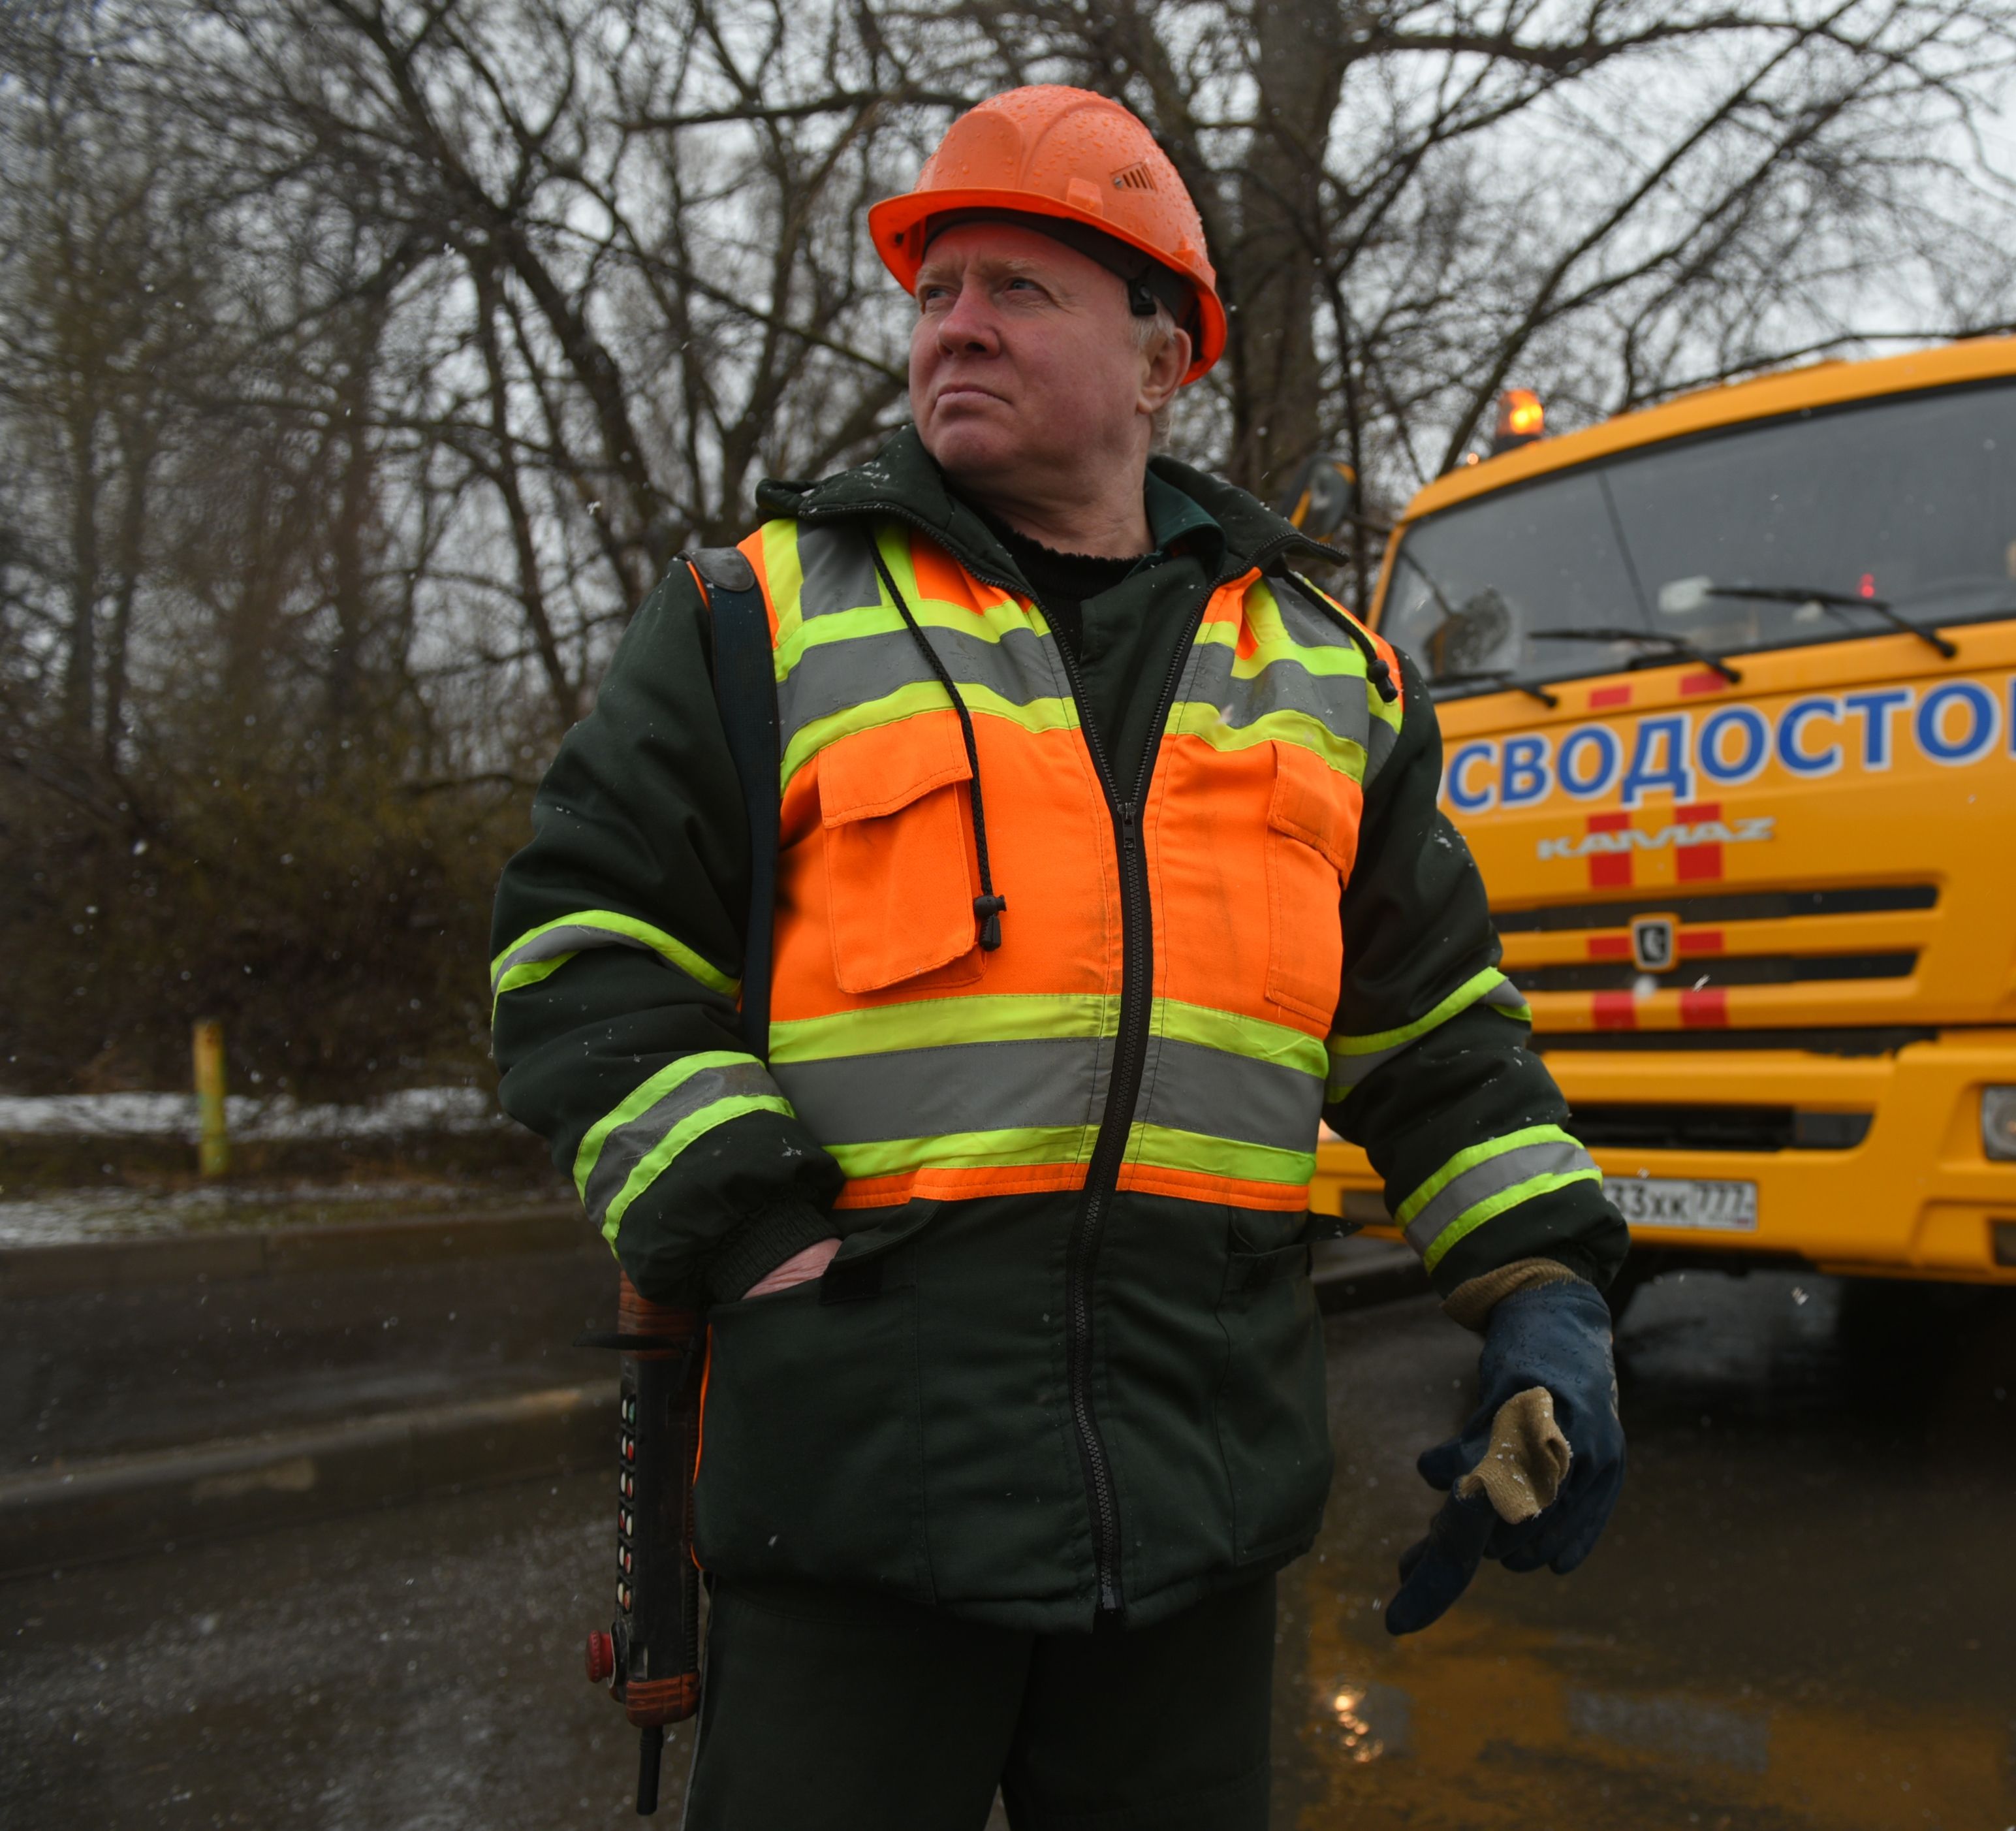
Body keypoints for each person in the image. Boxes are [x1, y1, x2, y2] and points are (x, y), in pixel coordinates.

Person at [488, 85, 1628, 1831]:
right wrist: (755, 1233)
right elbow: (581, 944)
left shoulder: (1335, 679)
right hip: (857, 1509)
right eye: (934, 289)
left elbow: (1439, 1035)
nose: (954, 325)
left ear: (1164, 353)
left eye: (1016, 288)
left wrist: (1545, 1291)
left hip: (1197, 1517)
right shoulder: (756, 613)